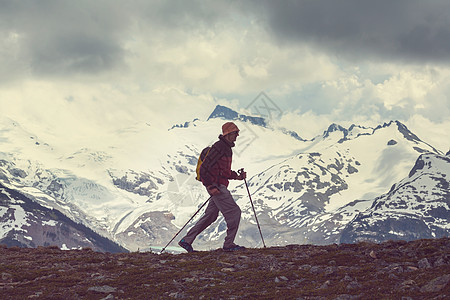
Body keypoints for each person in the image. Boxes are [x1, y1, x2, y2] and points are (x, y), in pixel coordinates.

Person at [179, 122, 247, 252]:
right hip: (217, 187)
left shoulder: (226, 148)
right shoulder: (219, 147)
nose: (237, 135)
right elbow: (205, 169)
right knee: (234, 212)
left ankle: (186, 240)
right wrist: (210, 186)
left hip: (217, 185)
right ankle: (229, 244)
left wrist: (237, 176)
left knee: (211, 215)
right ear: (227, 134)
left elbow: (223, 171)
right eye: (235, 132)